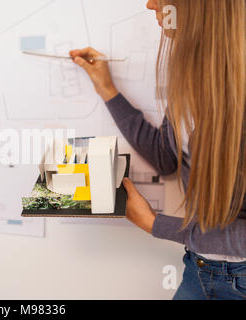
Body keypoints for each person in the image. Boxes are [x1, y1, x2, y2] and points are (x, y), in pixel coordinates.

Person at [71, 0, 245, 300]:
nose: (150, 3)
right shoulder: (195, 81)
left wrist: (155, 224)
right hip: (199, 268)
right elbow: (166, 156)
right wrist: (107, 89)